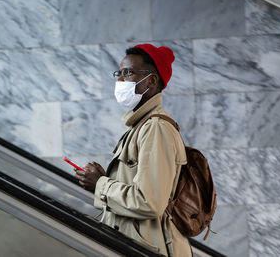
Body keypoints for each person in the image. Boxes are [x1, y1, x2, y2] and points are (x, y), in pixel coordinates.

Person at [74, 44, 192, 257]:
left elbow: (149, 202)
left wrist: (100, 184)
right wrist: (102, 179)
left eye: (128, 73)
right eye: (119, 73)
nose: (120, 80)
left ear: (152, 81)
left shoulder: (155, 128)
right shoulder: (141, 126)